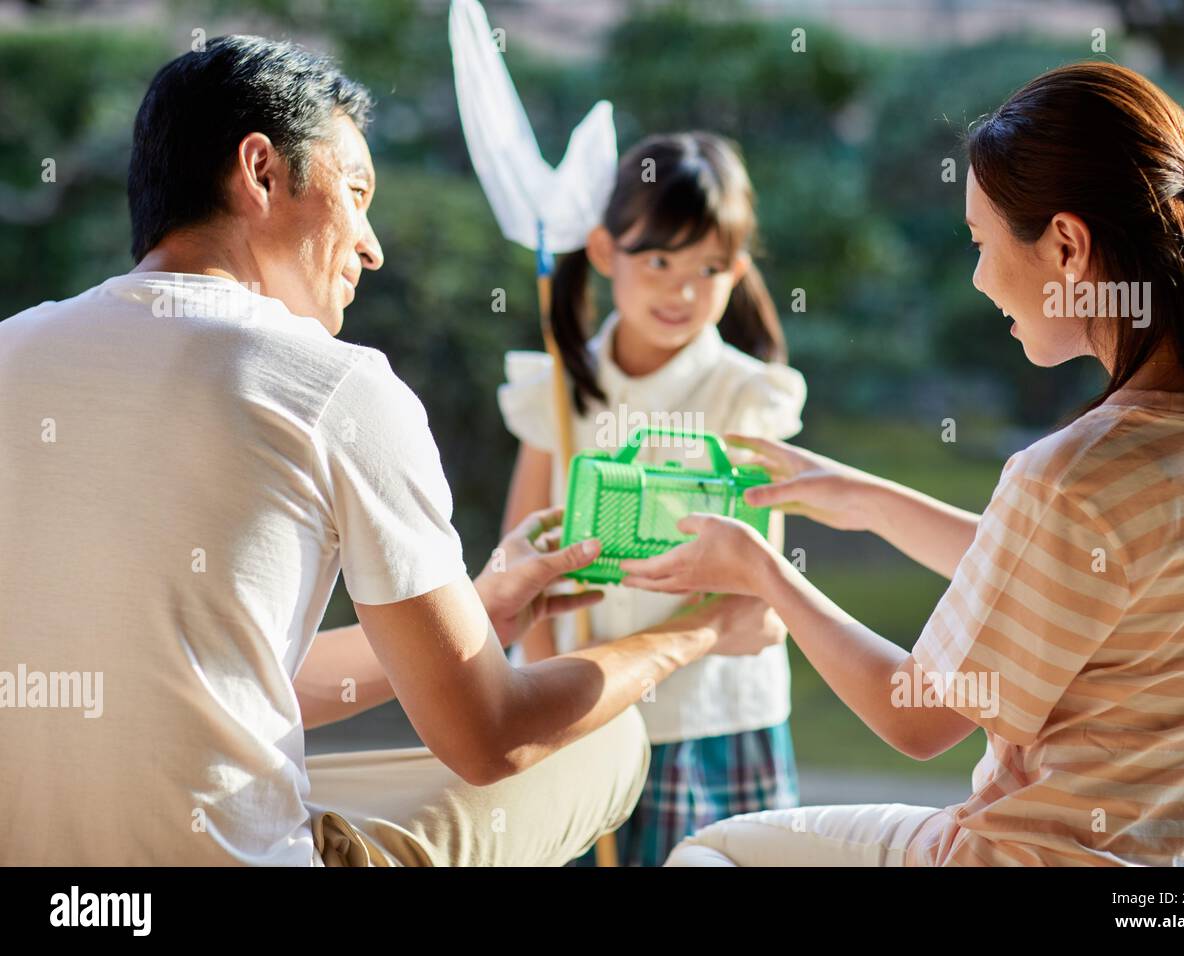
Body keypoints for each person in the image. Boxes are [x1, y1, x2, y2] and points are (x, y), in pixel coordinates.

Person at [0, 35, 785, 867]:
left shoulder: (13, 350)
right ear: (260, 171)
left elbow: (237, 682)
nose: (372, 246)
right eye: (356, 192)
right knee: (605, 737)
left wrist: (478, 611)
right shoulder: (336, 387)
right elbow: (491, 737)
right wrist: (697, 632)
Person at [619, 62, 1184, 866]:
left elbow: (916, 717)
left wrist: (762, 572)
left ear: (1067, 245)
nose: (978, 278)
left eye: (980, 242)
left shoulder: (1073, 473)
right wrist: (867, 500)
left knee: (710, 852)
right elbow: (1064, 578)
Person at [497, 132, 806, 865]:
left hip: (707, 721)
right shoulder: (559, 389)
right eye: (659, 260)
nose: (682, 290)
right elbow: (519, 563)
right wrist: (546, 697)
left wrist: (639, 662)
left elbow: (759, 597)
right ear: (605, 252)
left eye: (708, 267)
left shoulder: (746, 396)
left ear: (737, 270)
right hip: (578, 713)